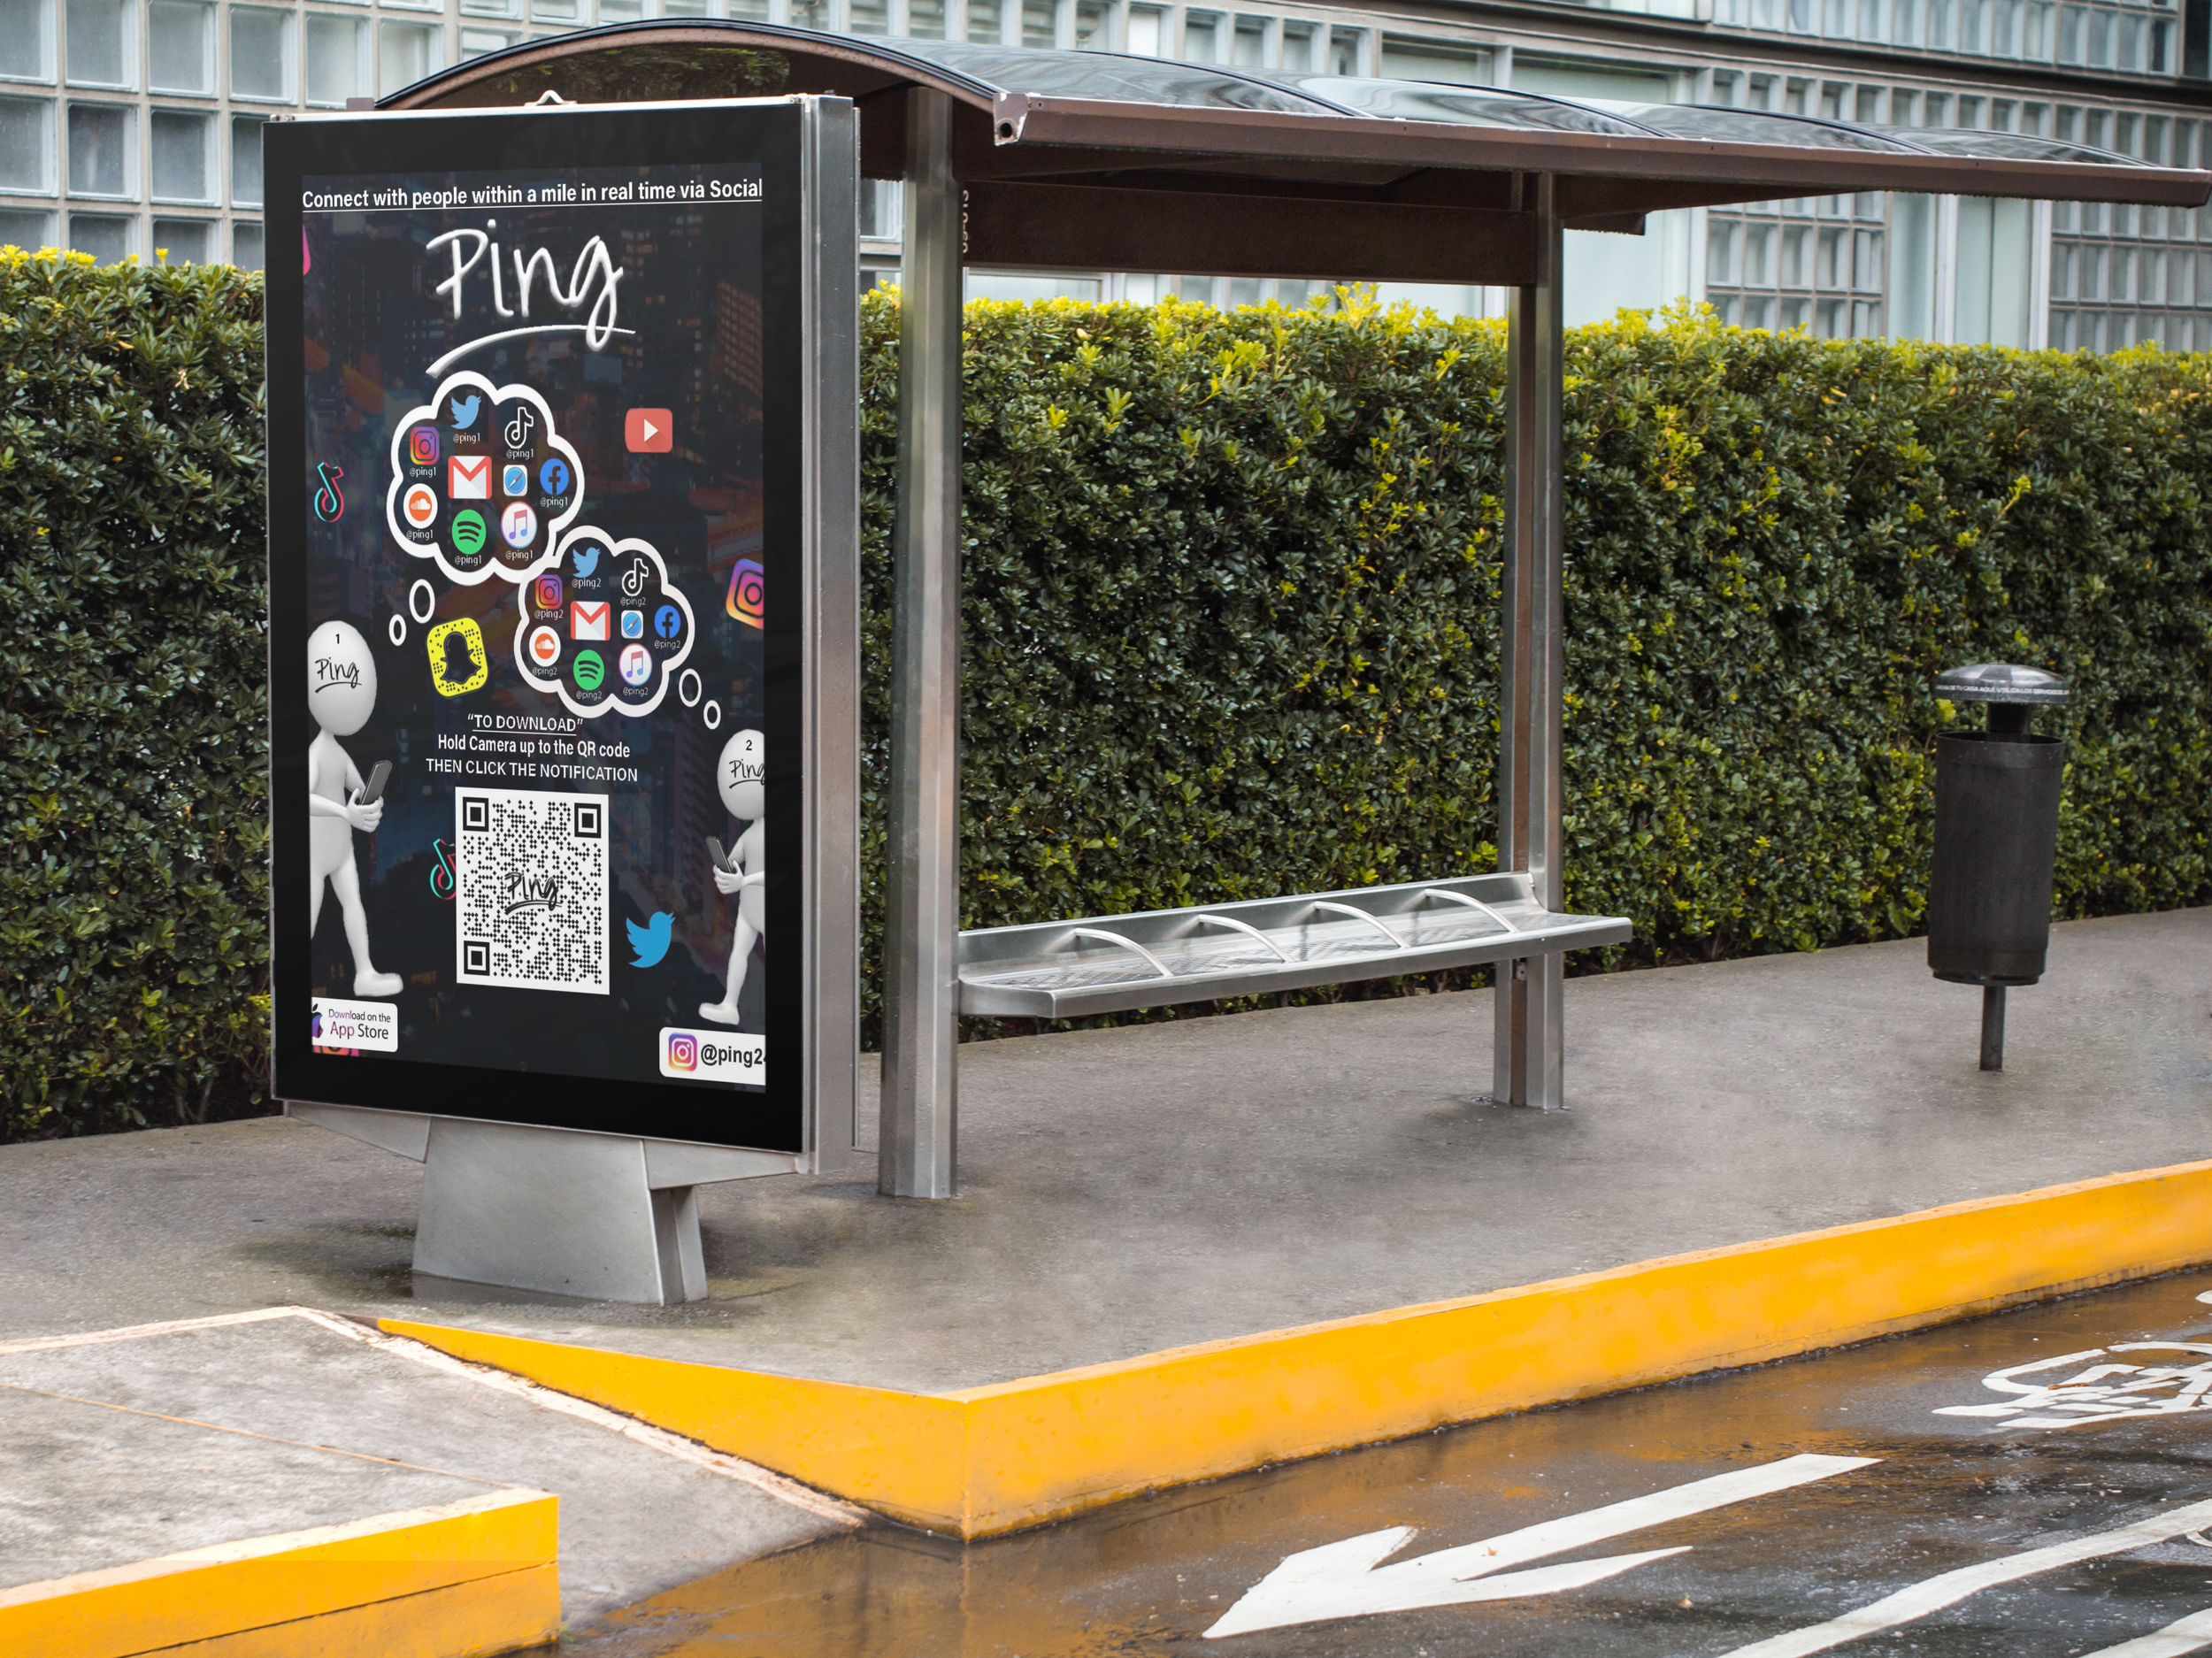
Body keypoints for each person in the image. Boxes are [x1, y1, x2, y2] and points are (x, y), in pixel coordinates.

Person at [307, 621, 403, 998]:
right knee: (309, 919)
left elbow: (360, 788)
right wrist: (346, 814)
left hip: (342, 850)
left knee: (354, 906)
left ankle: (365, 972)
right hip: (318, 853)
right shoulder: (316, 753)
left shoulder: (337, 750)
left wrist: (370, 801)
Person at [699, 728, 764, 1027]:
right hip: (748, 911)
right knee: (738, 953)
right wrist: (722, 868)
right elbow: (734, 859)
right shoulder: (751, 832)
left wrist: (743, 882)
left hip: (762, 907)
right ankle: (730, 1005)